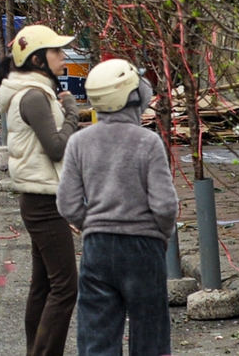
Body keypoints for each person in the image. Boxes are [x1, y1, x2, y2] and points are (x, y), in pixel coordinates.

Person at [56, 59, 177, 356]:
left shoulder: (79, 142)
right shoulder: (148, 142)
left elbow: (67, 202)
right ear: (132, 97)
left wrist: (91, 224)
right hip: (143, 248)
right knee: (150, 337)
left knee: (97, 337)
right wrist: (160, 235)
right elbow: (165, 206)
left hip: (97, 247)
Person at [0, 25, 81, 356]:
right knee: (65, 287)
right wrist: (73, 112)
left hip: (41, 198)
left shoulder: (35, 92)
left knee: (45, 284)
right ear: (37, 60)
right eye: (56, 51)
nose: (63, 56)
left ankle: (35, 349)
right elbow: (57, 147)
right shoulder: (33, 96)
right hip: (44, 203)